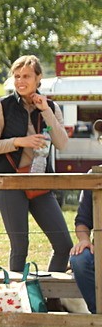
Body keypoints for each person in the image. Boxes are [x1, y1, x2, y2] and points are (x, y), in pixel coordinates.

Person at [0, 54, 72, 274]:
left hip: (40, 182)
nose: (20, 81)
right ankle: (18, 294)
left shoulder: (51, 107)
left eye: (26, 76)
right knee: (20, 246)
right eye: (17, 76)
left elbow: (62, 143)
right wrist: (19, 142)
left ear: (38, 78)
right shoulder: (1, 106)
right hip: (9, 182)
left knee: (64, 245)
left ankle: (50, 292)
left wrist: (46, 110)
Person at [68, 123, 101, 312]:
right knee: (79, 259)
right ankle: (98, 313)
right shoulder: (93, 175)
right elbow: (82, 220)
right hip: (99, 250)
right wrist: (84, 240)